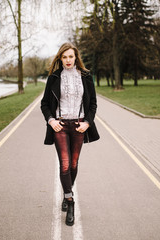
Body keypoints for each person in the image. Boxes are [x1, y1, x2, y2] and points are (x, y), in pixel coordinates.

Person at [41, 42, 100, 226]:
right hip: (60, 126)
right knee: (65, 164)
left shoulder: (85, 76)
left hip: (78, 126)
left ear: (76, 58)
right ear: (60, 58)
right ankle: (70, 201)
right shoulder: (54, 78)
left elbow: (93, 104)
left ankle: (67, 191)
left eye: (71, 56)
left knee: (73, 164)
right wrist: (51, 121)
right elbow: (44, 104)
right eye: (64, 57)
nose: (68, 60)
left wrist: (87, 123)